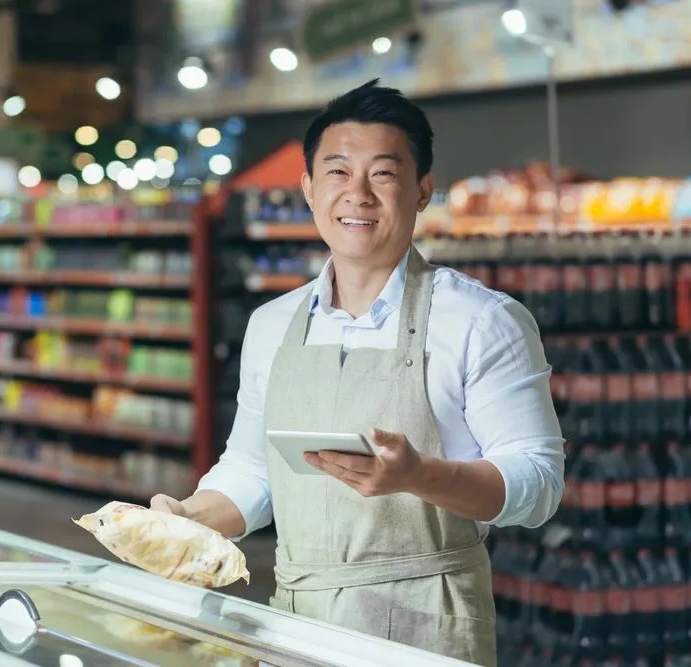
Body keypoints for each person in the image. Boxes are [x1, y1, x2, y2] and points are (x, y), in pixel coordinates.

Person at [150, 79, 564, 667]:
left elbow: (539, 484)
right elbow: (253, 467)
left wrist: (422, 476)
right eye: (339, 173)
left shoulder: (481, 321)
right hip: (297, 621)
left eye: (384, 174)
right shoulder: (272, 324)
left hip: (427, 627)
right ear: (309, 189)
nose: (358, 195)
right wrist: (190, 518)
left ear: (423, 190)